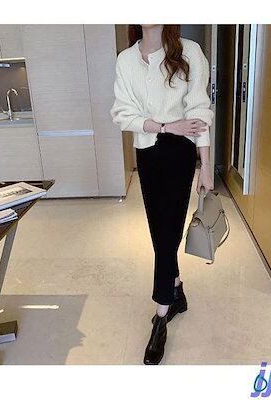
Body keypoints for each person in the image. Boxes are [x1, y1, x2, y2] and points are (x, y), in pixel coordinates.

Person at [110, 24, 214, 365]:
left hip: (180, 152)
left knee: (167, 236)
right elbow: (123, 114)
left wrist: (206, 166)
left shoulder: (189, 51)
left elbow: (199, 111)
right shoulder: (126, 60)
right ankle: (177, 288)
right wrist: (164, 125)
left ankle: (161, 313)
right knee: (160, 232)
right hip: (147, 151)